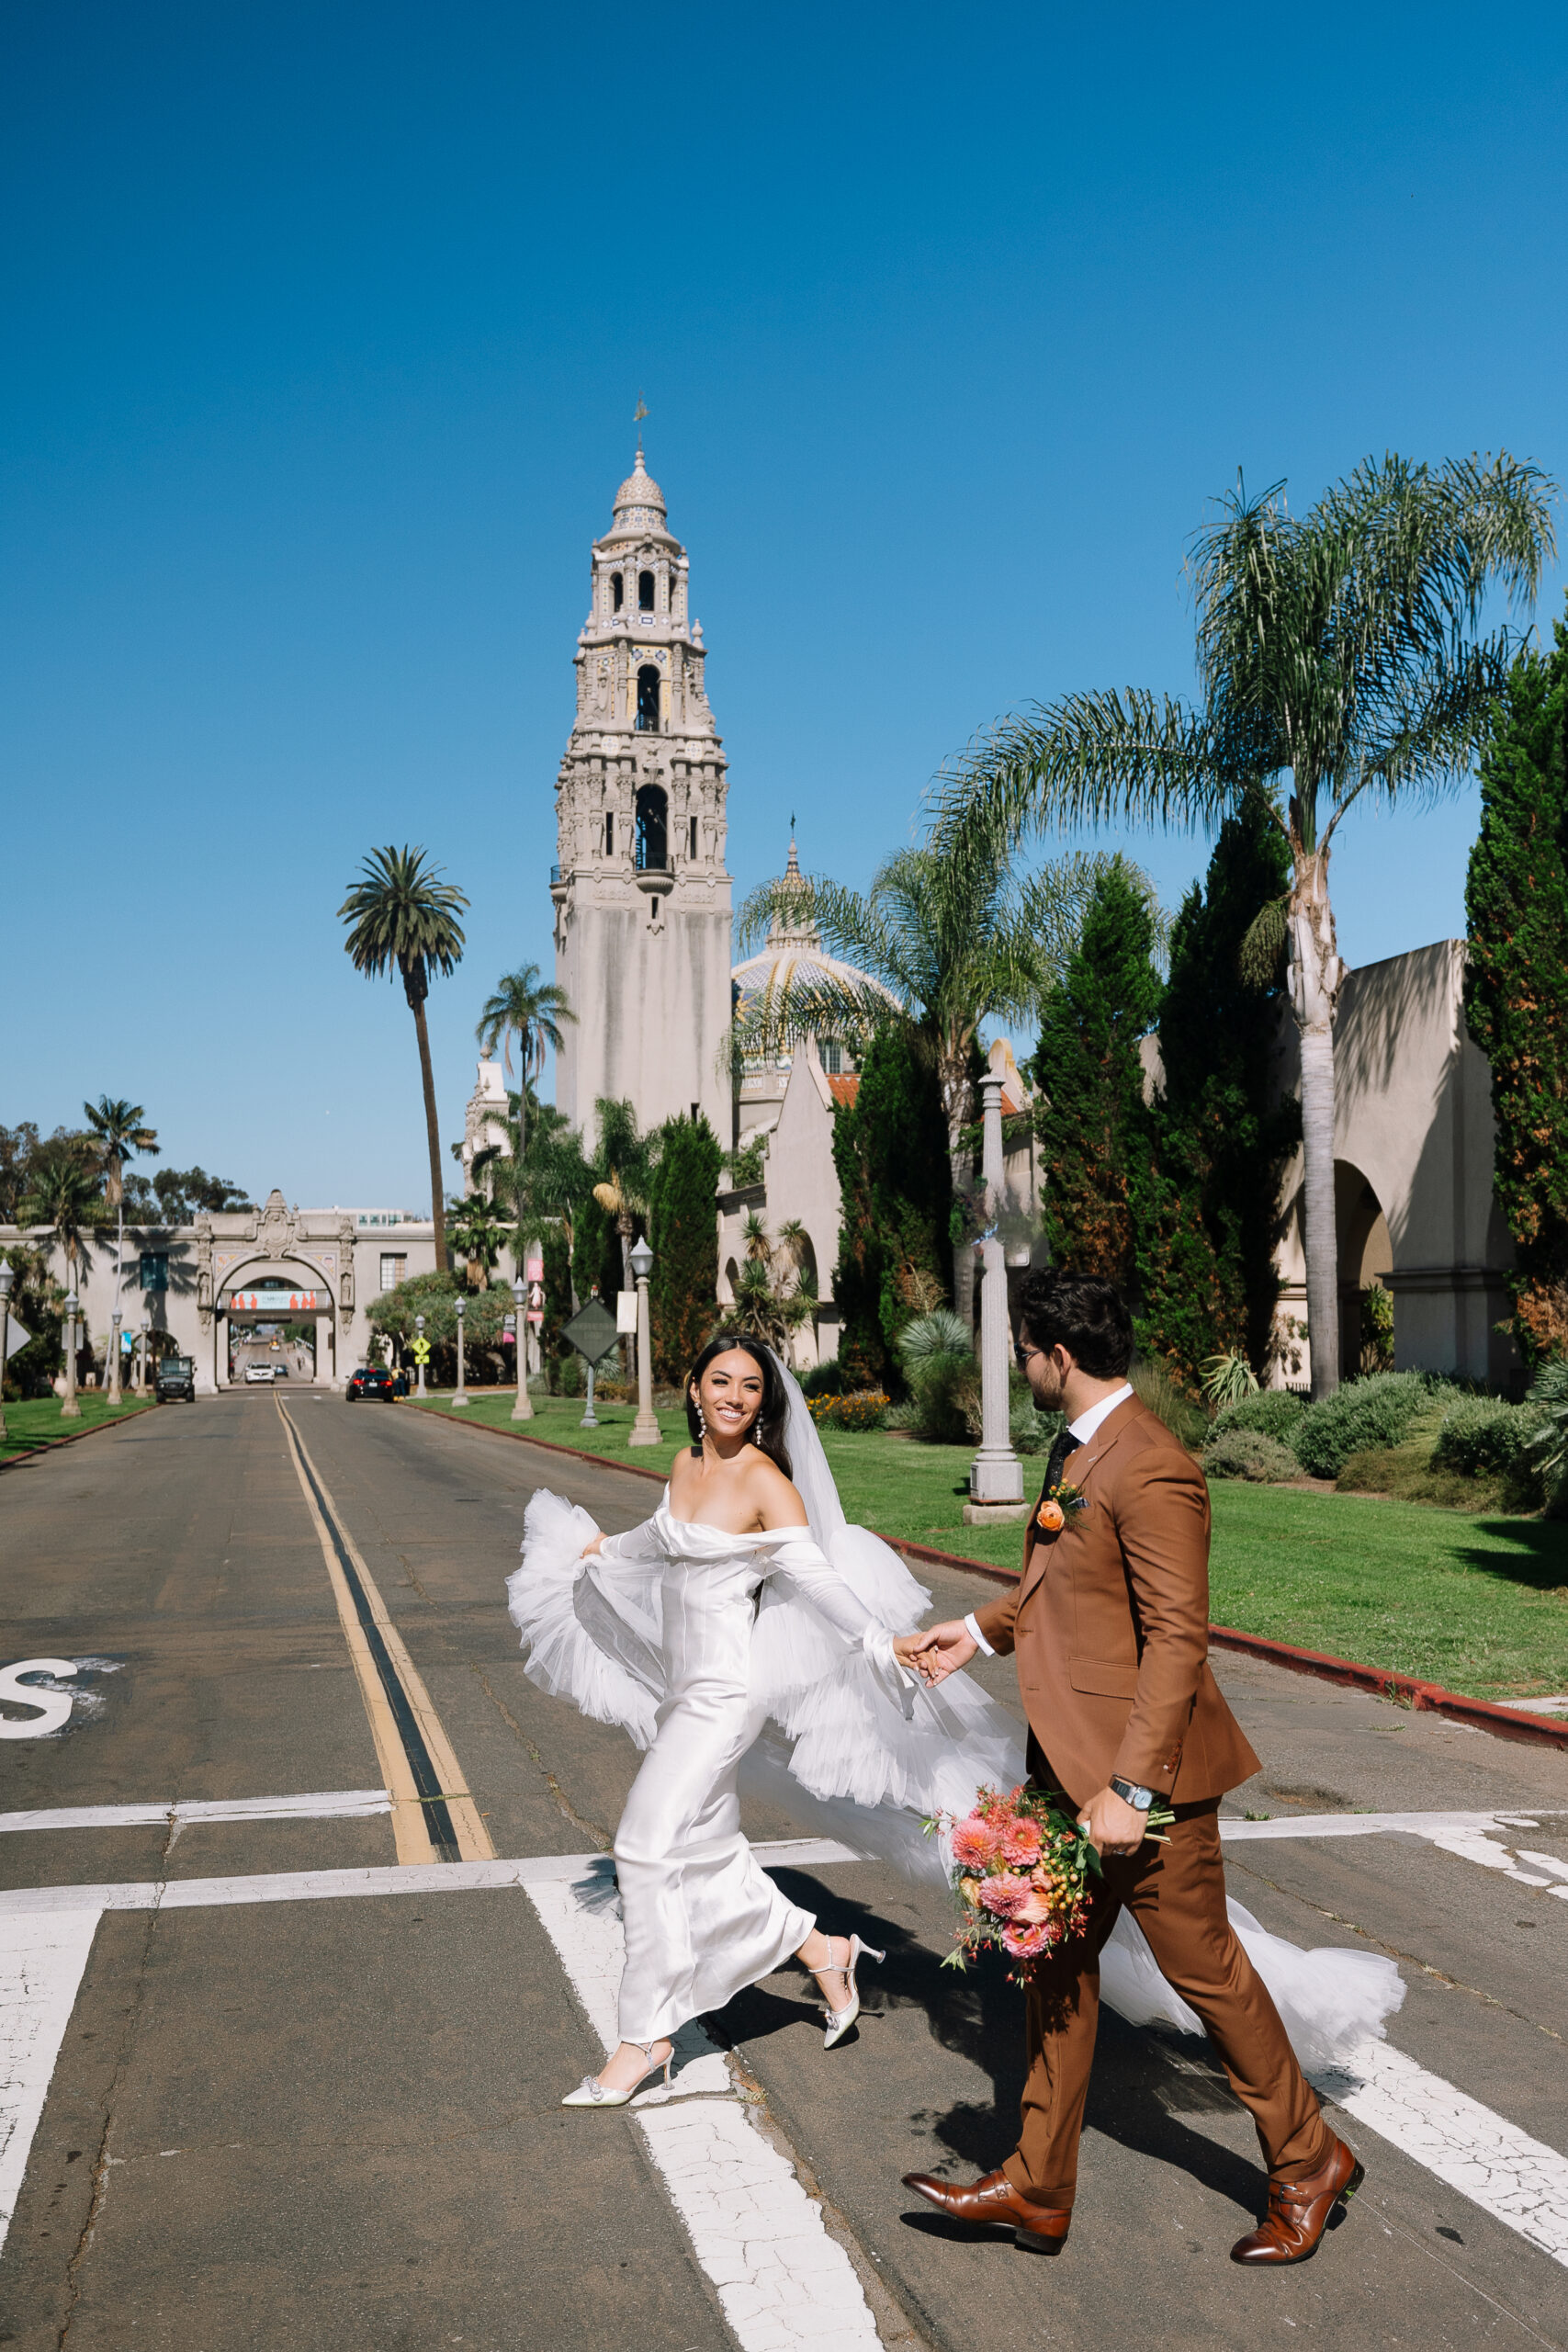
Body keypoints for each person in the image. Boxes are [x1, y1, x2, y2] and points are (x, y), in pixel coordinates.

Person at [901, 1270, 1365, 2266]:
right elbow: (1066, 1592)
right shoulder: (1085, 1448)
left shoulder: (1149, 1464)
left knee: (1208, 1974)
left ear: (1058, 1356)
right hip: (1073, 1772)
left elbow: (1176, 1637)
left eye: (1025, 1350)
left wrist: (1135, 1790)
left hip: (1138, 1785)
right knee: (1053, 1964)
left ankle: (1306, 2156)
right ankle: (1037, 2183)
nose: (1022, 1364)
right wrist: (975, 1634)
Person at [506, 1333, 1014, 2106]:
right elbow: (658, 1540)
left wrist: (881, 1641)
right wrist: (599, 1548)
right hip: (684, 1688)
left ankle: (645, 2039)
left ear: (763, 1402)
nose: (735, 1396)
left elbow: (813, 1575)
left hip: (724, 1697)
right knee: (705, 1851)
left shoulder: (765, 1482)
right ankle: (824, 1949)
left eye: (750, 1386)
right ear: (693, 1387)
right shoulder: (685, 1465)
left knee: (642, 1850)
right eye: (721, 1381)